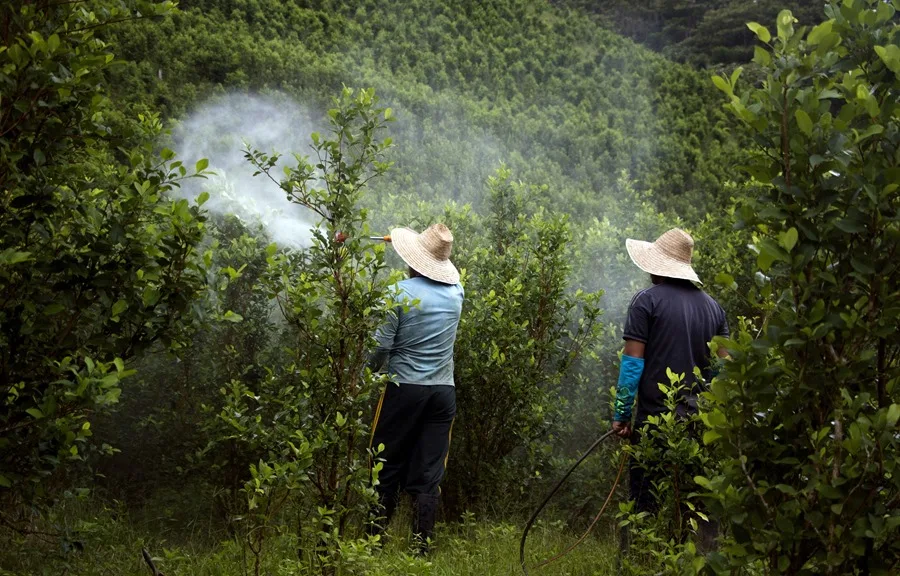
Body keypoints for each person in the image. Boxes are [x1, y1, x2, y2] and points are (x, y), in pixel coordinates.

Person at [611, 228, 728, 539]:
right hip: (700, 425)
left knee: (642, 504)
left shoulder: (645, 302)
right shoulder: (714, 308)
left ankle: (635, 565)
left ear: (658, 266)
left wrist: (622, 414)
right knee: (697, 508)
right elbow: (723, 372)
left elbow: (633, 363)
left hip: (655, 422)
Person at [367, 223, 464, 554]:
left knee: (386, 462)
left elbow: (381, 348)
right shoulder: (457, 294)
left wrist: (364, 374)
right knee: (429, 470)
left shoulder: (398, 294)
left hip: (403, 389)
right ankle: (421, 548)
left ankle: (373, 542)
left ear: (412, 259)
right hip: (442, 394)